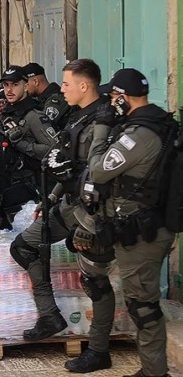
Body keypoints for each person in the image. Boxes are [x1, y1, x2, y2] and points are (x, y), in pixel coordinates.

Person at [9, 60, 112, 351]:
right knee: (23, 246)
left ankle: (98, 349)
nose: (61, 88)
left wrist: (90, 224)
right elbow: (66, 161)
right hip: (67, 204)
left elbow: (102, 179)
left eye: (66, 83)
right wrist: (51, 197)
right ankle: (50, 316)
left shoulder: (102, 123)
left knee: (97, 281)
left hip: (93, 212)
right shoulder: (77, 117)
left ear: (83, 85)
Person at [86, 68, 175, 377]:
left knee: (143, 306)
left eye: (113, 97)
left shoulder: (138, 136)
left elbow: (98, 171)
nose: (110, 103)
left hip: (141, 233)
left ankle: (154, 373)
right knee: (142, 301)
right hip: (146, 226)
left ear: (123, 98)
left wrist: (101, 128)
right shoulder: (158, 122)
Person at [0, 65, 57, 228]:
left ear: (26, 85)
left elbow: (54, 150)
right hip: (6, 188)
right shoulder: (4, 114)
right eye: (6, 85)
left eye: (15, 84)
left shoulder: (33, 116)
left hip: (29, 192)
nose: (9, 90)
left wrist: (22, 144)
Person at [23, 62, 71, 130]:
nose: (24, 88)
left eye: (26, 84)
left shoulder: (56, 98)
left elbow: (44, 125)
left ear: (35, 81)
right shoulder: (38, 99)